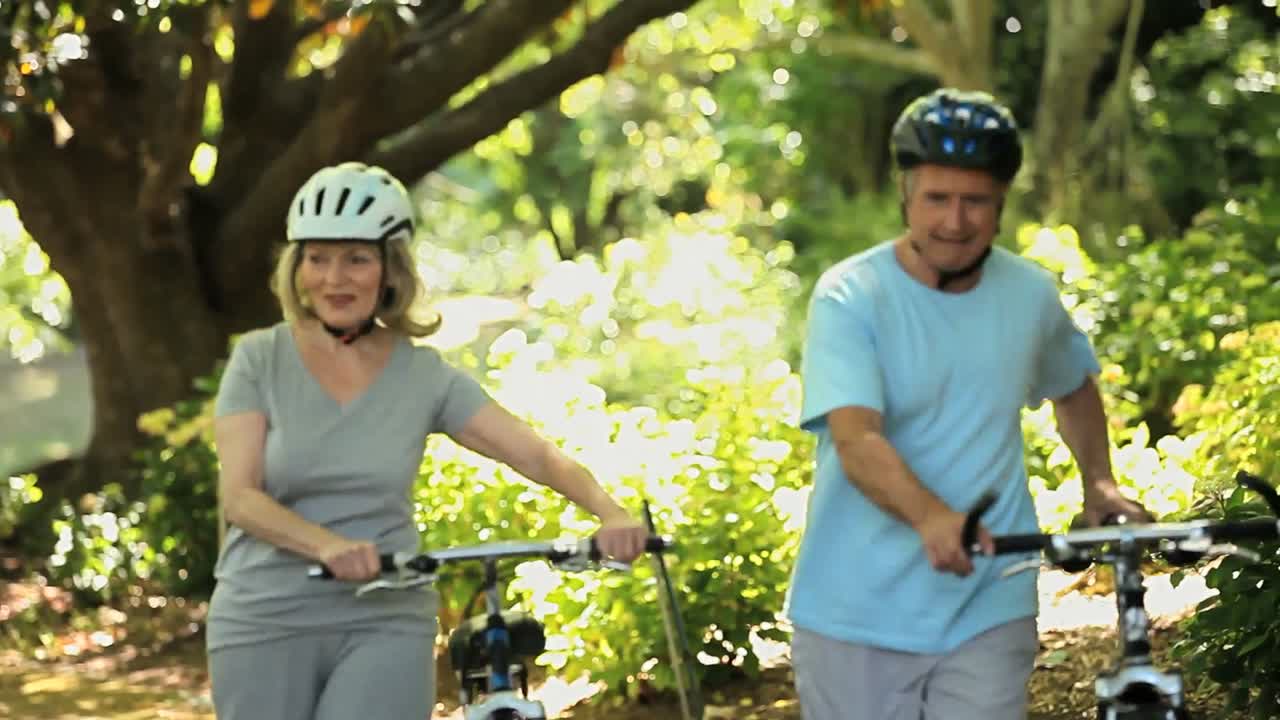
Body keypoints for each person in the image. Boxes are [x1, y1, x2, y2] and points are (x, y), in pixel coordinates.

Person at [206, 161, 650, 720]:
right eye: (317, 258)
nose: (333, 278)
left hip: (386, 612)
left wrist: (610, 513)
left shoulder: (422, 375)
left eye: (356, 259)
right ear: (297, 267)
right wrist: (328, 546)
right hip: (264, 614)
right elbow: (240, 497)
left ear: (390, 270)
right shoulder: (258, 359)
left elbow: (533, 452)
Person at [784, 88, 1151, 720]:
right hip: (856, 609)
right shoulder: (851, 295)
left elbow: (1073, 385)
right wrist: (931, 517)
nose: (955, 221)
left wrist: (1099, 483)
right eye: (937, 199)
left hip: (991, 594)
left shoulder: (1029, 293)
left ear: (1002, 202)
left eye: (974, 201)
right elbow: (856, 439)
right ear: (906, 195)